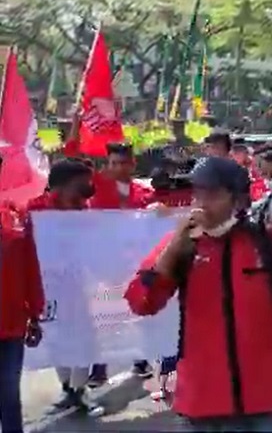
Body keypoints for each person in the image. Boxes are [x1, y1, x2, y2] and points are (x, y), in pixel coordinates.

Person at [124, 156, 272, 432]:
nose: (202, 202)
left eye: (213, 194)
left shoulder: (270, 242)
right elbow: (141, 302)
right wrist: (173, 248)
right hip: (202, 403)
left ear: (239, 200)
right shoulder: (186, 244)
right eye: (198, 192)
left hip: (268, 401)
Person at [26, 159, 99, 413]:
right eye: (82, 183)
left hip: (76, 283)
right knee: (55, 335)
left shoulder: (84, 209)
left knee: (84, 336)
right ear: (64, 185)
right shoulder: (34, 210)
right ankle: (68, 388)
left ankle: (80, 390)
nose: (88, 188)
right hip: (45, 285)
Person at [85, 142, 155, 385]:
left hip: (136, 264)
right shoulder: (99, 188)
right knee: (104, 316)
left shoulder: (145, 193)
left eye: (122, 163)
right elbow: (74, 154)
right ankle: (98, 367)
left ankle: (140, 359)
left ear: (132, 164)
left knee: (138, 312)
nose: (117, 168)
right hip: (105, 264)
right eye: (113, 163)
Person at [0, 156, 45, 433]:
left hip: (12, 323)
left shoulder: (17, 216)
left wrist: (36, 313)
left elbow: (31, 266)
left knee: (8, 393)